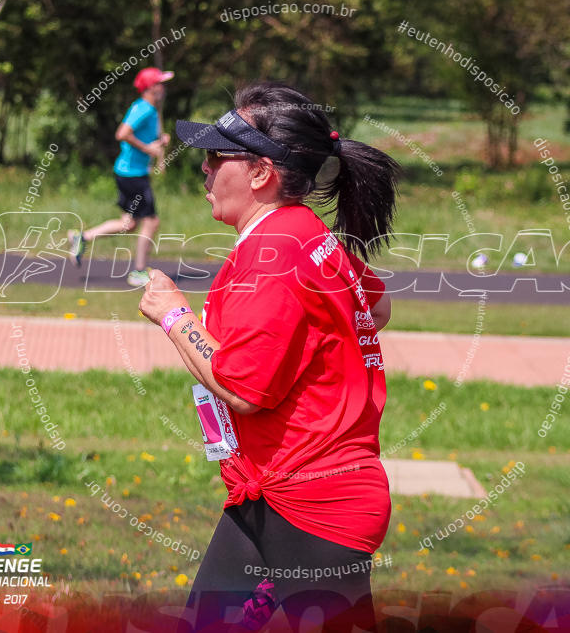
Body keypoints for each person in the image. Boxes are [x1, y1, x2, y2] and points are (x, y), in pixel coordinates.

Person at [139, 82, 399, 632]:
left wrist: (173, 314)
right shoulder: (307, 232)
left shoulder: (272, 251)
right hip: (271, 495)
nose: (204, 171)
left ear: (261, 173)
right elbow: (376, 307)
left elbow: (242, 389)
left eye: (216, 157)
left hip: (313, 507)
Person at [69, 66, 172, 286]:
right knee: (151, 222)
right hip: (132, 175)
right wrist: (148, 149)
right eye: (159, 83)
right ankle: (138, 272)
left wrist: (159, 141)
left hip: (129, 173)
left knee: (130, 223)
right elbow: (122, 133)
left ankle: (83, 237)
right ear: (150, 88)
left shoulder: (149, 110)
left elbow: (139, 137)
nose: (163, 87)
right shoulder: (144, 108)